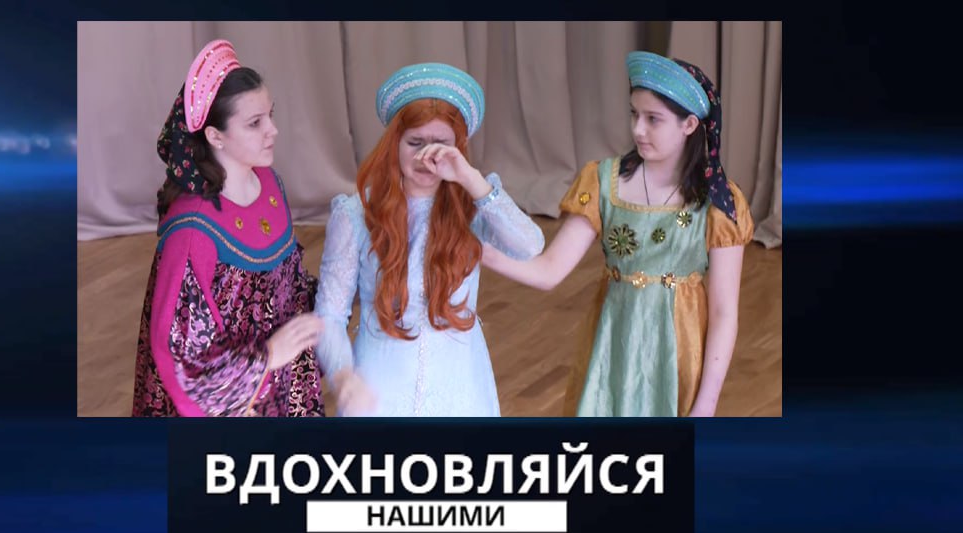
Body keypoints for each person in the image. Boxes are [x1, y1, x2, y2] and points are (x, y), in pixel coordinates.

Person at [482, 51, 754, 417]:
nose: (638, 129)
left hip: (678, 354)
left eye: (653, 119)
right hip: (612, 349)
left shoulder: (719, 202)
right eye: (634, 114)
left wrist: (707, 403)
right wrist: (481, 252)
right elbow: (549, 271)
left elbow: (723, 313)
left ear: (689, 124)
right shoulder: (603, 181)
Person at [314, 62, 545, 416]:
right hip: (379, 392)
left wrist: (472, 180)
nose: (427, 157)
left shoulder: (475, 206)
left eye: (442, 145)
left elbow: (530, 247)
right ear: (394, 143)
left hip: (461, 389)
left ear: (459, 147)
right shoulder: (355, 214)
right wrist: (344, 377)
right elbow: (330, 314)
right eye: (415, 142)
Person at [132, 39, 325, 417]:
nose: (273, 130)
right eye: (255, 123)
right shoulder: (192, 230)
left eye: (270, 115)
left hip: (285, 384)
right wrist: (267, 357)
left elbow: (286, 285)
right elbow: (180, 357)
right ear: (215, 136)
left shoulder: (271, 185)